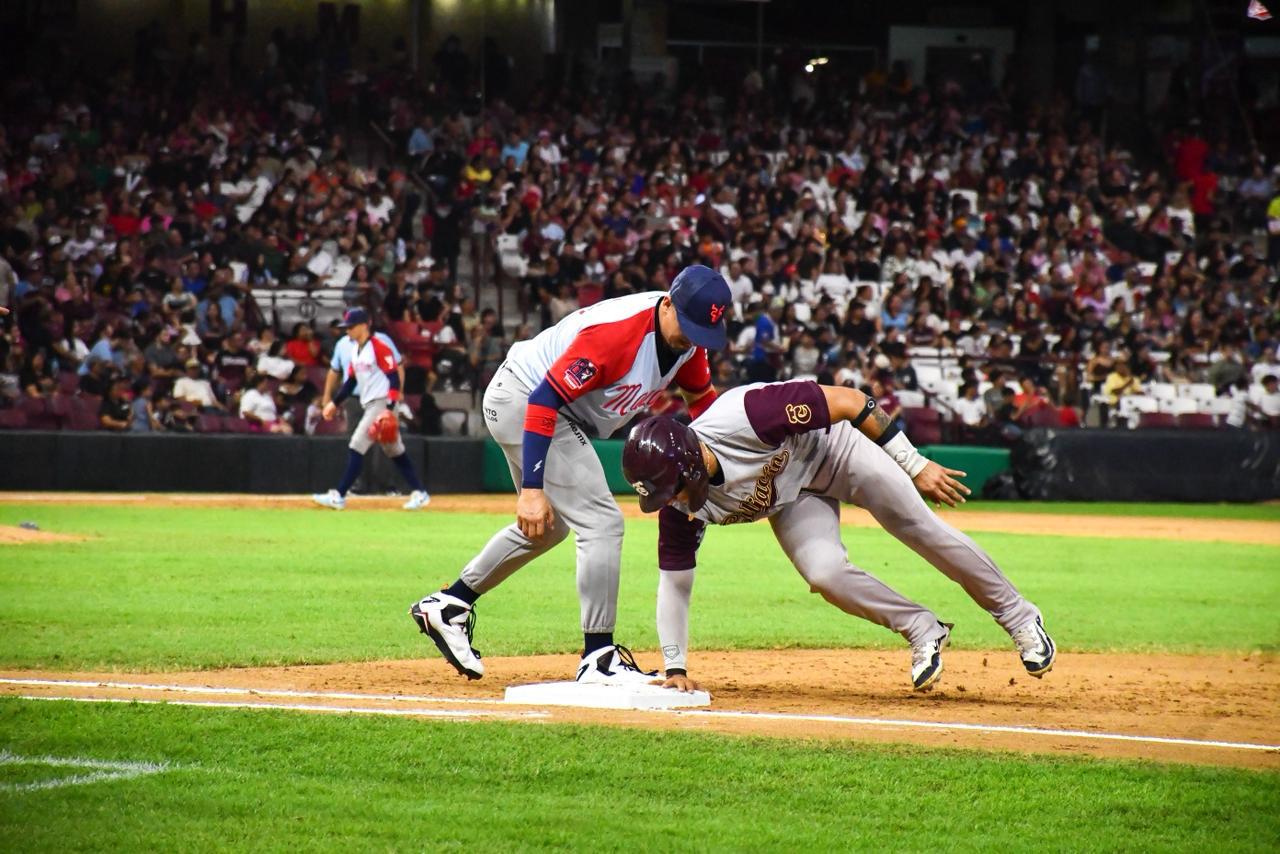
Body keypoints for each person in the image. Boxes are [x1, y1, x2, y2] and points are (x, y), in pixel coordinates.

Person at [621, 380, 1056, 693]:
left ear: (689, 463)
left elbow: (851, 401)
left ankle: (1019, 617)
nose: (669, 501)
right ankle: (924, 629)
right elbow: (675, 583)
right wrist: (675, 667)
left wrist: (914, 464)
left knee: (917, 526)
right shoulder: (681, 509)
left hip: (834, 449)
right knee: (824, 573)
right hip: (792, 496)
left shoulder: (749, 415)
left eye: (669, 489)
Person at [409, 265, 730, 684]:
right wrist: (531, 490)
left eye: (702, 331)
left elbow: (702, 402)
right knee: (602, 522)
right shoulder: (617, 334)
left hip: (550, 410)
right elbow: (544, 400)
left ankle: (450, 604)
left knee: (547, 529)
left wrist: (718, 462)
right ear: (667, 304)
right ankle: (598, 658)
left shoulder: (688, 345)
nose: (692, 338)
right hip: (526, 400)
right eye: (687, 325)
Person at [313, 308, 430, 511]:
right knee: (394, 450)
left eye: (351, 326)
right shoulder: (355, 350)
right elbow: (350, 382)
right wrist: (334, 402)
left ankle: (339, 495)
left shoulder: (378, 347)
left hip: (381, 403)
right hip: (370, 403)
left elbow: (393, 378)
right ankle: (420, 493)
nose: (347, 330)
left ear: (364, 326)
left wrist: (390, 408)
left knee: (356, 444)